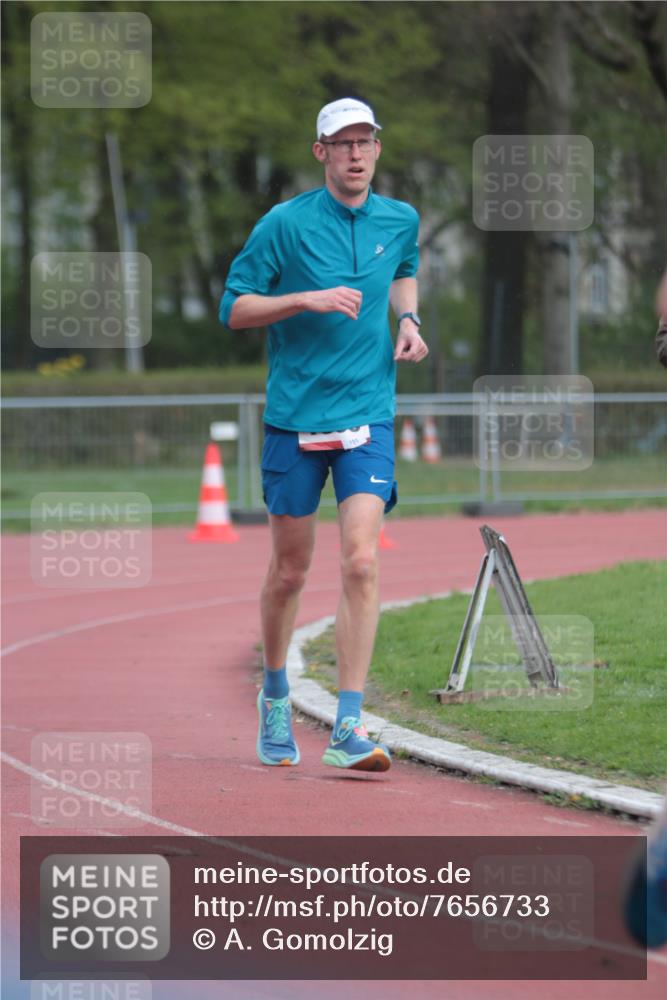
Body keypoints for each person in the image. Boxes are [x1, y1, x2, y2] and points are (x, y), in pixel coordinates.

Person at [219, 98, 428, 772]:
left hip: (366, 410)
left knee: (362, 562)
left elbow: (402, 269)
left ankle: (346, 725)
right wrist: (302, 299)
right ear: (320, 153)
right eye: (341, 144)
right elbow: (235, 308)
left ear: (376, 148)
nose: (355, 154)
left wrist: (410, 321)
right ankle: (275, 695)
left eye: (364, 141)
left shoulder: (399, 218)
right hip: (294, 417)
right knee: (289, 571)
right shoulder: (284, 224)